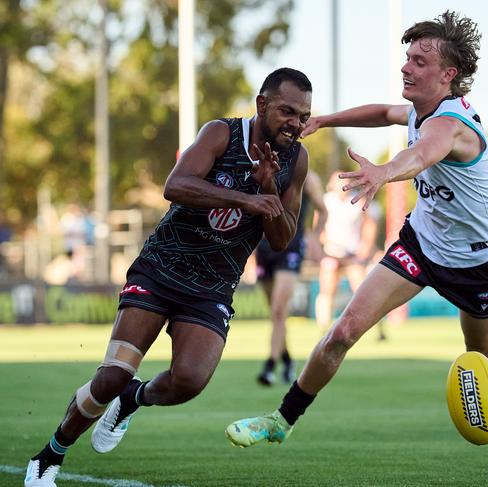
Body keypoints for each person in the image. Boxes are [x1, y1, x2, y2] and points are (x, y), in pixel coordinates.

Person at [225, 11, 488, 450]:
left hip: (476, 262)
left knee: (487, 350)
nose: (406, 66)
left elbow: (419, 157)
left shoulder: (449, 125)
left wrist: (383, 172)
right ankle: (280, 421)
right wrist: (326, 120)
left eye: (419, 61)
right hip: (420, 245)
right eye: (408, 57)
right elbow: (383, 112)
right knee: (342, 332)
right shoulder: (421, 110)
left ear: (448, 74)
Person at [24, 67, 313, 487]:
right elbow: (175, 185)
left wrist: (268, 189)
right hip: (161, 269)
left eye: (304, 116)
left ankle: (133, 399)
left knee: (189, 382)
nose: (296, 123)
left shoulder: (296, 160)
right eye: (288, 111)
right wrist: (247, 199)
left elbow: (283, 238)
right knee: (113, 373)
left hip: (212, 287)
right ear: (262, 104)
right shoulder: (221, 133)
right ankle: (49, 456)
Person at [256, 169, 328, 386]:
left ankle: (269, 366)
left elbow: (323, 211)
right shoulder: (262, 168)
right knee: (275, 314)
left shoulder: (307, 175)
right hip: (263, 248)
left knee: (279, 310)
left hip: (291, 248)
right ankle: (287, 360)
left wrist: (314, 238)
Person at [315, 171, 383, 338]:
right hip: (332, 253)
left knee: (363, 291)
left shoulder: (358, 199)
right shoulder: (326, 201)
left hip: (353, 254)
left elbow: (370, 225)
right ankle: (323, 329)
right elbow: (317, 227)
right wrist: (322, 247)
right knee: (326, 291)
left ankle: (379, 331)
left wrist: (365, 247)